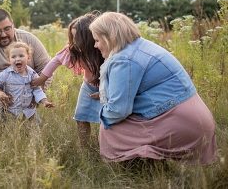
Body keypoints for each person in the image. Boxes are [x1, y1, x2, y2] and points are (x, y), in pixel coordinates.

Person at [90, 11, 216, 164]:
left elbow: (118, 110)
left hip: (183, 125)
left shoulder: (124, 59)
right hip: (197, 122)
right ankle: (152, 165)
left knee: (111, 127)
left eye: (97, 40)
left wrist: (101, 112)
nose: (95, 45)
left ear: (109, 37)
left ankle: (139, 167)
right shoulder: (139, 46)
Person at [31, 12, 104, 147]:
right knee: (81, 117)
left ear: (90, 37)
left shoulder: (102, 49)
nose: (74, 41)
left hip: (107, 88)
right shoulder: (73, 50)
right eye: (72, 37)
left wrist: (105, 92)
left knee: (106, 121)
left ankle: (104, 146)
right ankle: (84, 148)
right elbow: (56, 60)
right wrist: (40, 80)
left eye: (78, 37)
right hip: (88, 87)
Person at [0, 41, 54, 120]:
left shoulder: (32, 74)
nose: (17, 59)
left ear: (28, 57)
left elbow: (37, 90)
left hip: (29, 112)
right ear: (9, 59)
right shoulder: (7, 74)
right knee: (12, 130)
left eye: (21, 56)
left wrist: (44, 101)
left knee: (35, 130)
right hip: (11, 111)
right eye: (13, 57)